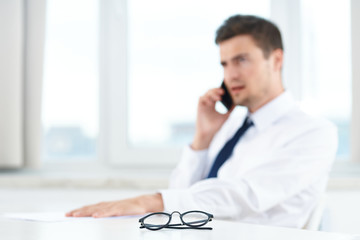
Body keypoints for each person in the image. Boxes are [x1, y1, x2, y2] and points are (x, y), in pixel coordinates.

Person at [66, 15, 337, 228]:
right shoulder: (231, 125)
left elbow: (247, 195)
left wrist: (150, 201)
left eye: (241, 60)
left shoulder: (313, 133)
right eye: (224, 64)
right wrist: (202, 141)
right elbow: (181, 197)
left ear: (276, 59)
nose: (231, 75)